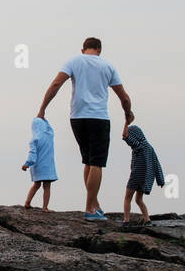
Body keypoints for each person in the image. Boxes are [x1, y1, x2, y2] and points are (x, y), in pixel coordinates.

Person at [36, 37, 133, 221]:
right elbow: (124, 98)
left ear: (83, 49)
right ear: (99, 50)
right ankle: (89, 209)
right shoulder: (107, 66)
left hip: (77, 118)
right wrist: (128, 114)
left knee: (88, 161)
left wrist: (42, 109)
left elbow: (56, 84)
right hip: (98, 118)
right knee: (96, 163)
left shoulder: (73, 61)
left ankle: (94, 204)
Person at [121, 123, 164, 225]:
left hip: (136, 176)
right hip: (145, 179)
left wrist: (126, 123)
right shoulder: (149, 147)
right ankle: (147, 220)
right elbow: (157, 164)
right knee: (139, 199)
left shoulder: (138, 146)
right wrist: (160, 179)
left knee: (127, 198)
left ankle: (126, 220)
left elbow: (125, 136)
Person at [21, 117, 57, 209]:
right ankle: (45, 207)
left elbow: (32, 154)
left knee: (36, 185)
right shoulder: (50, 135)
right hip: (48, 166)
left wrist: (27, 164)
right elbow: (49, 128)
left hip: (37, 166)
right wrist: (45, 120)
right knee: (47, 187)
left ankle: (27, 202)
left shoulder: (34, 140)